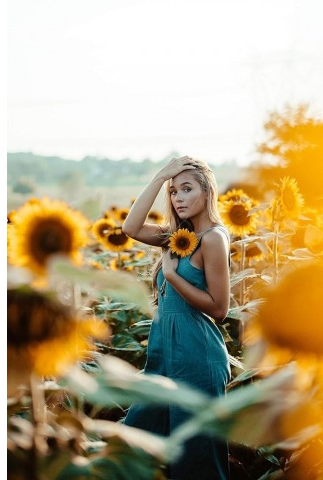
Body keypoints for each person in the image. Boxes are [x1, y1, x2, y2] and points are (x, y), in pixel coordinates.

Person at [122, 156, 231, 480]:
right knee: (131, 447)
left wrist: (172, 276)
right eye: (173, 191)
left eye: (187, 189)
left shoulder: (213, 238)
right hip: (163, 356)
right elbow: (130, 228)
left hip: (197, 356)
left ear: (207, 191)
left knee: (196, 462)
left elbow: (219, 308)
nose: (178, 197)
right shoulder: (176, 236)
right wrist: (159, 178)